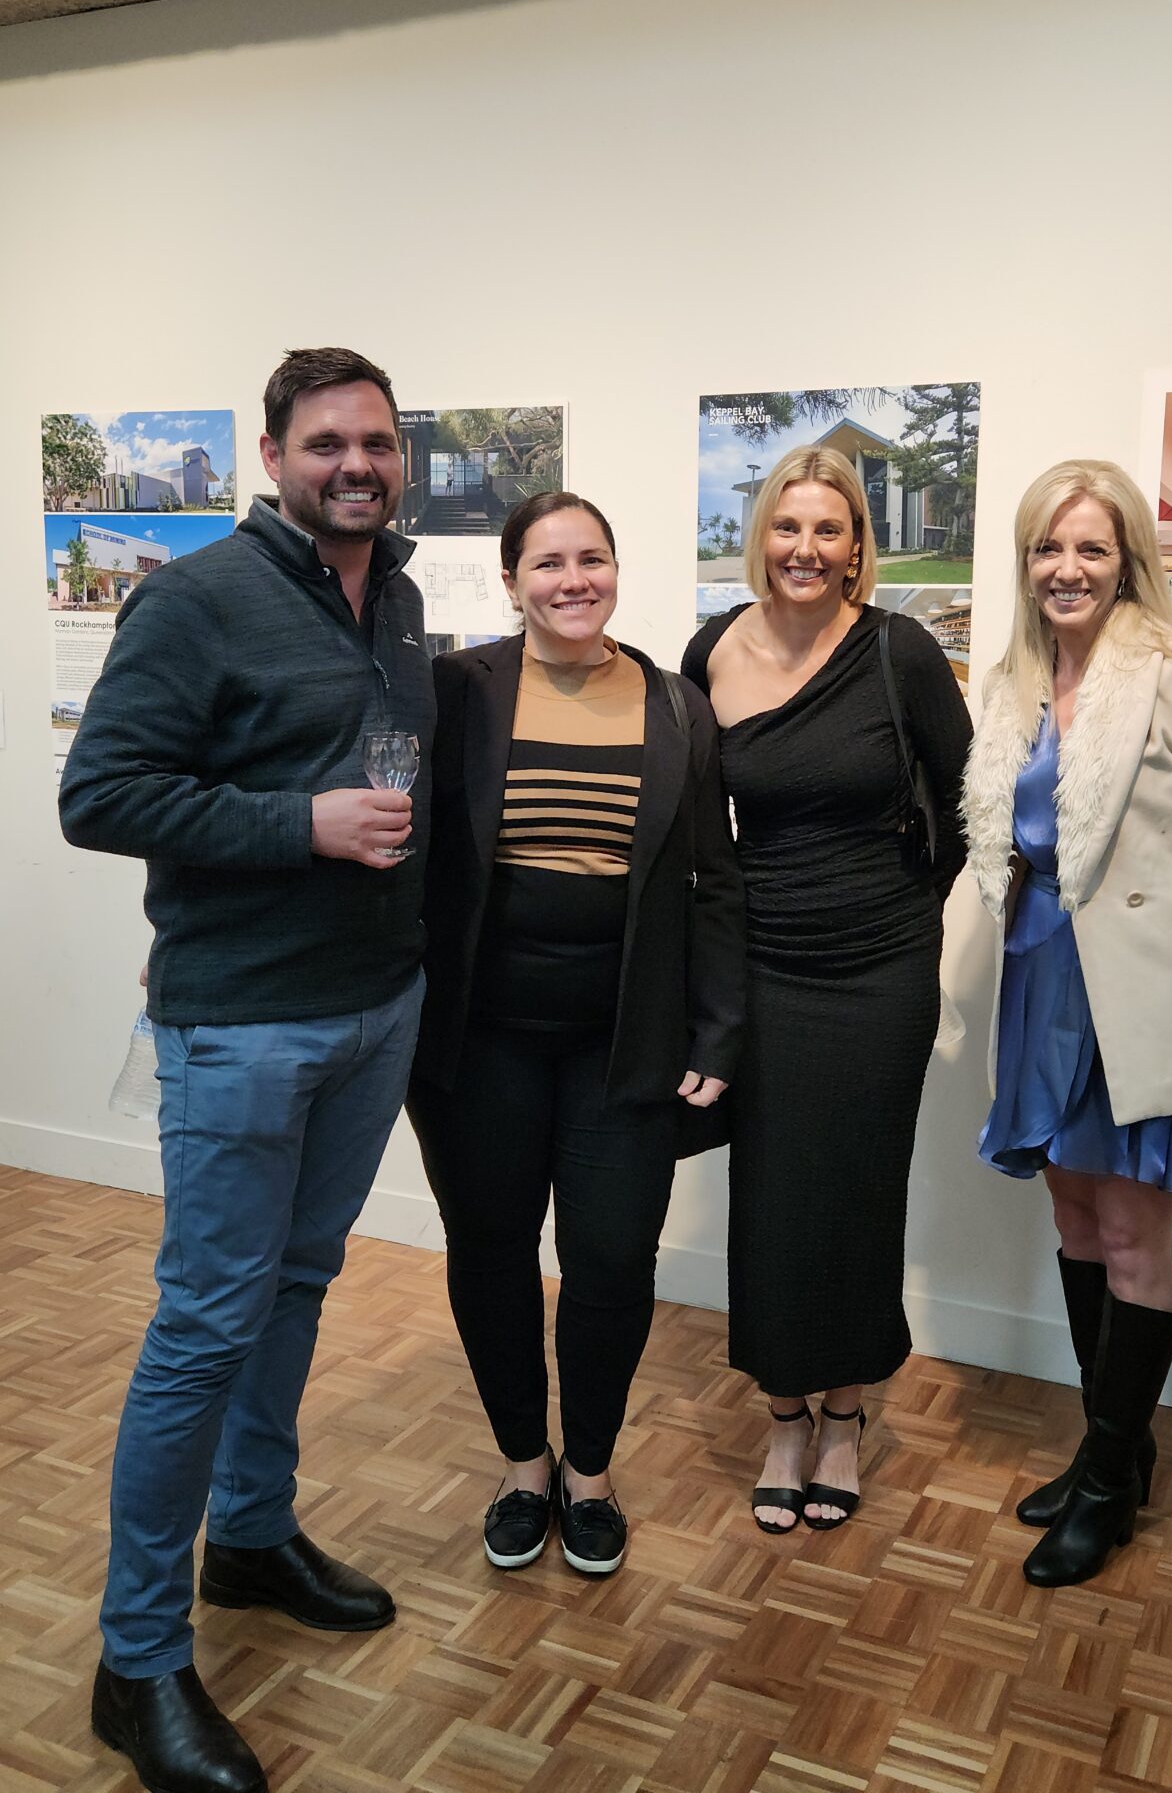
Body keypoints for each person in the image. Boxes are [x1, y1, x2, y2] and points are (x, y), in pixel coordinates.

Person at [60, 348, 435, 1793]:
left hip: (375, 1010)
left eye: (378, 442)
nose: (357, 464)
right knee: (205, 1326)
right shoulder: (195, 598)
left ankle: (254, 1535)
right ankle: (135, 1661)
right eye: (327, 442)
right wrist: (301, 826)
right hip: (242, 1028)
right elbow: (100, 794)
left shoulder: (397, 597)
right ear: (273, 457)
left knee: (298, 1284)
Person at [406, 491, 744, 1578]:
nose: (573, 581)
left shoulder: (675, 706)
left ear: (615, 572)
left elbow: (714, 883)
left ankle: (589, 1472)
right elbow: (408, 851)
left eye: (591, 559)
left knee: (609, 1261)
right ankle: (524, 1464)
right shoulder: (459, 692)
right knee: (491, 1252)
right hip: (478, 1044)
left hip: (625, 1044)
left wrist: (718, 1033)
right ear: (510, 580)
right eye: (548, 563)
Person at [963, 459, 1172, 1588]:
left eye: (1091, 547)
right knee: (1079, 1221)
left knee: (1138, 1239)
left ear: (1128, 556)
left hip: (1146, 992)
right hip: (1040, 977)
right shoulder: (1012, 678)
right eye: (1048, 547)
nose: (1067, 568)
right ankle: (1116, 1454)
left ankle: (1104, 1490)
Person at [682, 446, 971, 1533]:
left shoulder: (899, 651)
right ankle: (783, 1415)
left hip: (881, 971)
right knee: (769, 1196)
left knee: (858, 1190)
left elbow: (966, 805)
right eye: (787, 526)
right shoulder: (711, 651)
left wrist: (903, 912)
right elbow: (697, 829)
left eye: (829, 530)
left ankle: (845, 1416)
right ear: (762, 536)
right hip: (762, 966)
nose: (805, 549)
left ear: (858, 549)